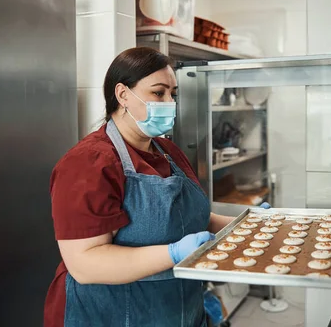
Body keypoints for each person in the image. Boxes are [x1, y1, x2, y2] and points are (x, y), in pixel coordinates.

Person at [43, 47, 240, 327]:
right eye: (158, 93)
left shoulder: (168, 151)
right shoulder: (88, 164)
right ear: (123, 94)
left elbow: (192, 220)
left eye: (173, 93)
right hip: (112, 314)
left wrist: (246, 225)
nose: (169, 102)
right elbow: (84, 263)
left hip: (177, 308)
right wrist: (172, 253)